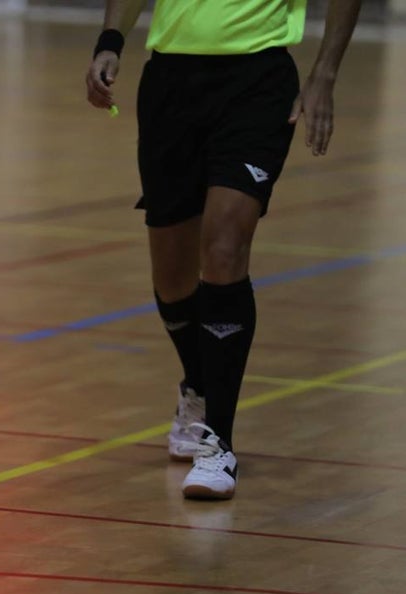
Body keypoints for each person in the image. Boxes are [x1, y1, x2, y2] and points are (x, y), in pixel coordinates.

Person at [84, 0, 361, 500]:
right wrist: (111, 41)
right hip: (171, 81)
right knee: (171, 274)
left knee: (225, 246)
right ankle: (199, 384)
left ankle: (219, 442)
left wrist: (324, 72)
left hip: (257, 79)